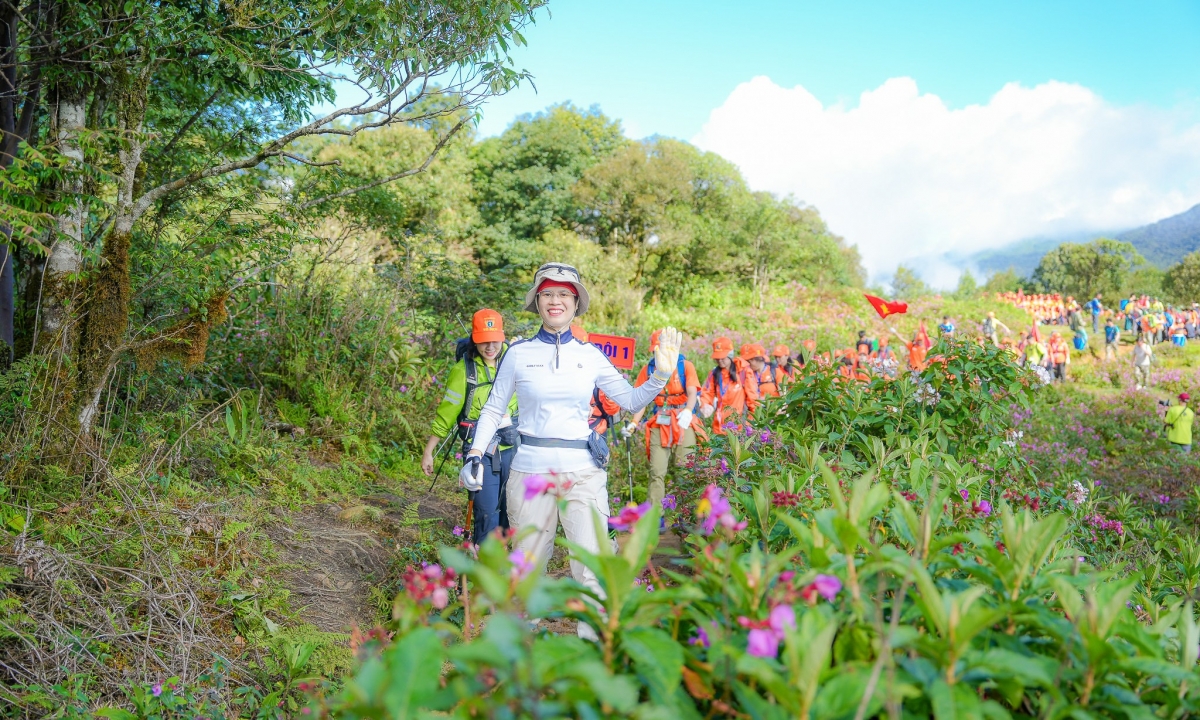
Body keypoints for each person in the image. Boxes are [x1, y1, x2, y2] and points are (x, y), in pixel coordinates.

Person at [462, 262, 682, 639]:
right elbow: (494, 408)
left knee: (594, 565)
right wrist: (475, 454)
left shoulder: (591, 355)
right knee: (528, 569)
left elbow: (630, 400)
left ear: (576, 302)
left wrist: (660, 375)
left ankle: (592, 648)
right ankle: (522, 654)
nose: (556, 300)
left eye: (565, 293)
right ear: (537, 301)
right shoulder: (518, 353)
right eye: (547, 293)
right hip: (529, 471)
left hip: (583, 472)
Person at [423, 309, 520, 545]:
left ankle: (503, 561)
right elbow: (447, 413)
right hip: (480, 450)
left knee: (512, 509)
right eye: (484, 341)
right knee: (486, 512)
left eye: (495, 340)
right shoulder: (463, 371)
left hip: (513, 447)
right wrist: (429, 451)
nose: (490, 347)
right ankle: (485, 561)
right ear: (474, 340)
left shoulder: (514, 361)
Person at [623, 329, 703, 517]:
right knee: (656, 470)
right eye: (655, 350)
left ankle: (687, 515)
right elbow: (641, 399)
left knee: (685, 468)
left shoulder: (685, 366)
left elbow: (692, 392)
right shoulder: (648, 369)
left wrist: (688, 410)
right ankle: (655, 516)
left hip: (683, 420)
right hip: (660, 421)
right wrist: (634, 423)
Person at [700, 337, 757, 434]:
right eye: (717, 358)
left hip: (739, 427)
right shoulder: (714, 374)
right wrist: (705, 405)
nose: (720, 361)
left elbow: (753, 400)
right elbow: (707, 393)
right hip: (719, 427)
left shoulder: (743, 372)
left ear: (730, 355)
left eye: (722, 358)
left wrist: (750, 424)